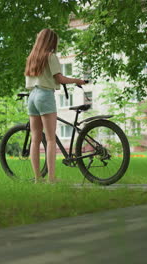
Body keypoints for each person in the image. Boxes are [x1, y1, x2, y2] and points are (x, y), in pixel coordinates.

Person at [25, 28, 86, 184]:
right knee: (51, 139)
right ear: (51, 41)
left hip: (32, 97)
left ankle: (38, 178)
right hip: (45, 95)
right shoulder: (50, 57)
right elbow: (59, 78)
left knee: (35, 139)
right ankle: (52, 178)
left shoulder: (31, 58)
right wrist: (77, 80)